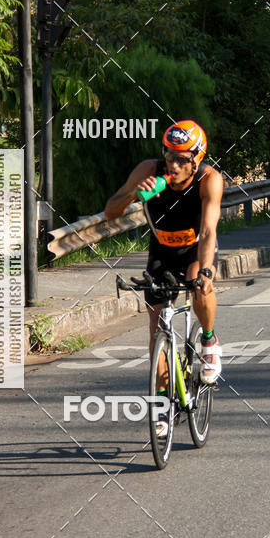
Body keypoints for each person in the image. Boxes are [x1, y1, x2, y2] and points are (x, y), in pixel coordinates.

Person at [104, 120, 224, 412]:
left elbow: (209, 231)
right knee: (157, 327)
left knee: (200, 284)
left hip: (197, 250)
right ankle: (160, 404)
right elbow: (110, 212)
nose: (174, 164)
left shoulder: (209, 179)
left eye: (183, 159)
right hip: (162, 251)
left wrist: (206, 271)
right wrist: (134, 194)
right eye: (169, 155)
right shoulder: (149, 170)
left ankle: (209, 340)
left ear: (197, 159)